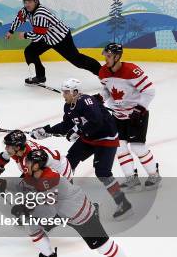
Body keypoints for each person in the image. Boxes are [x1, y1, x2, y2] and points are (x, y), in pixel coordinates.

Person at [15, 149, 141, 257]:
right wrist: (1, 185)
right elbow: (23, 185)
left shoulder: (49, 178)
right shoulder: (35, 174)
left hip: (79, 214)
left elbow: (48, 209)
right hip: (62, 212)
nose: (25, 163)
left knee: (103, 246)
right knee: (32, 225)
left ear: (36, 166)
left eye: (29, 162)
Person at [30, 78, 134, 220]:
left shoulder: (86, 102)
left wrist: (79, 131)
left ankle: (123, 203)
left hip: (106, 138)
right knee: (69, 162)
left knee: (103, 172)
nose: (63, 95)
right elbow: (66, 125)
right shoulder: (68, 106)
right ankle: (66, 200)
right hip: (89, 138)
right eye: (64, 92)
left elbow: (97, 121)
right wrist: (46, 131)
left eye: (67, 92)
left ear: (76, 92)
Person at [97, 43, 161, 192]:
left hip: (136, 115)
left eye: (108, 56)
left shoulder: (131, 70)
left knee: (138, 147)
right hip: (118, 116)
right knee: (119, 147)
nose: (105, 59)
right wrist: (99, 98)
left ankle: (154, 175)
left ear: (117, 57)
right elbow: (108, 91)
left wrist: (139, 109)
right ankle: (131, 179)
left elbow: (149, 91)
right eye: (105, 56)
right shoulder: (103, 72)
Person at [6, 0, 101, 85]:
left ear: (36, 1)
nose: (27, 4)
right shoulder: (27, 10)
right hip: (47, 37)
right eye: (25, 2)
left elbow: (38, 36)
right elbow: (19, 18)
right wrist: (11, 31)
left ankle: (101, 72)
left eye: (29, 2)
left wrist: (25, 35)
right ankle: (40, 76)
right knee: (30, 51)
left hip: (61, 38)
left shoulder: (40, 14)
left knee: (77, 61)